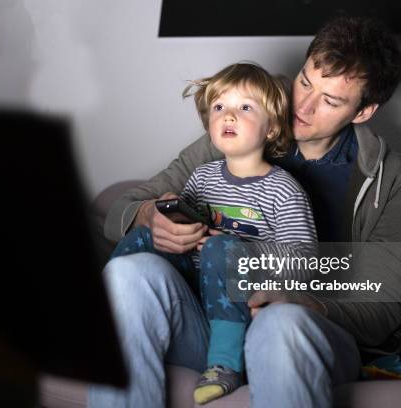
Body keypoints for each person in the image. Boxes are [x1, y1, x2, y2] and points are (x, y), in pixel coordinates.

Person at [90, 15, 401, 408]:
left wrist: (307, 303)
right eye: (305, 81)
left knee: (281, 322)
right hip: (212, 329)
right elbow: (121, 211)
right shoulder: (247, 120)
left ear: (363, 112)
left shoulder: (388, 177)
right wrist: (148, 215)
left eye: (329, 101)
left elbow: (382, 309)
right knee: (129, 274)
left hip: (305, 332)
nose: (303, 106)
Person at [107, 62, 317, 404]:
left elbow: (305, 261)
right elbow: (177, 241)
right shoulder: (201, 177)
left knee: (223, 250)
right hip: (193, 308)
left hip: (243, 319)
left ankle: (225, 365)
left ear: (271, 128)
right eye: (219, 107)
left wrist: (241, 249)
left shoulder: (284, 189)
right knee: (146, 235)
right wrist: (170, 222)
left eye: (244, 107)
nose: (228, 116)